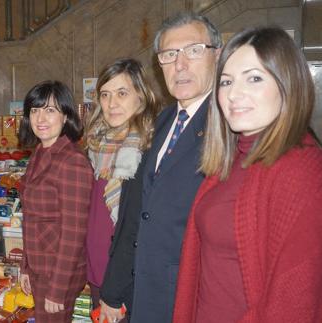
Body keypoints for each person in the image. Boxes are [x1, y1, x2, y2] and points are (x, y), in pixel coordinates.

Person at [173, 26, 322, 323]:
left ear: (288, 84)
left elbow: (292, 306)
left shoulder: (302, 173)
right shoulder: (231, 161)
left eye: (254, 78)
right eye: (226, 82)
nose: (234, 94)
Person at [99, 12, 221, 323]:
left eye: (193, 50)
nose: (180, 64)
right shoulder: (164, 122)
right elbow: (140, 214)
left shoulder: (228, 125)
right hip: (145, 293)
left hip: (191, 297)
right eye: (169, 55)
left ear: (217, 54)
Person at [83, 58, 159, 319]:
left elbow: (136, 228)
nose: (111, 103)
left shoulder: (147, 149)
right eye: (105, 94)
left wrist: (114, 292)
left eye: (122, 93)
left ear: (141, 95)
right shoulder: (95, 146)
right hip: (96, 273)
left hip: (124, 282)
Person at [18, 80, 93, 322]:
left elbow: (74, 232)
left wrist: (58, 289)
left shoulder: (71, 161)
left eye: (50, 110)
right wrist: (26, 267)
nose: (41, 118)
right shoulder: (40, 153)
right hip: (40, 266)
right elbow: (31, 218)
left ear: (65, 116)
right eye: (35, 110)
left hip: (58, 273)